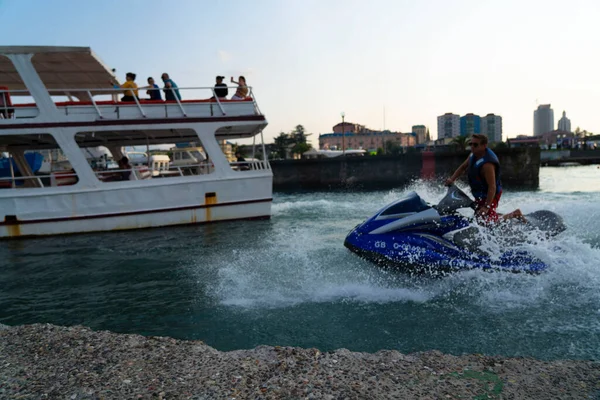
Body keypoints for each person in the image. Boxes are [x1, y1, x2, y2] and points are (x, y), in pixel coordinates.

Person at [445, 134, 525, 224]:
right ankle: (495, 214)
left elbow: (492, 186)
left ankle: (515, 214)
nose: (472, 147)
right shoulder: (473, 155)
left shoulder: (487, 165)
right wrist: (452, 179)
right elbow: (463, 167)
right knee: (479, 216)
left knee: (487, 222)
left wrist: (487, 206)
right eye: (470, 144)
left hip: (491, 194)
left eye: (475, 145)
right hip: (480, 193)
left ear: (484, 145)